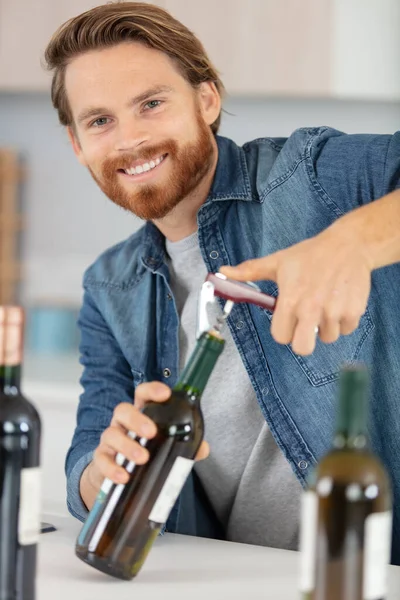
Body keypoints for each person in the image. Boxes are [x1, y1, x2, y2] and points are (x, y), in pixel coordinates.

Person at [44, 2, 400, 561]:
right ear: (77, 144)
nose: (130, 139)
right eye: (100, 120)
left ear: (206, 100)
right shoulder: (109, 288)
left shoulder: (308, 177)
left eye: (152, 104)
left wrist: (350, 242)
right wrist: (100, 473)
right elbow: (88, 459)